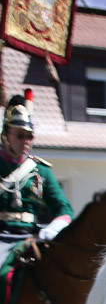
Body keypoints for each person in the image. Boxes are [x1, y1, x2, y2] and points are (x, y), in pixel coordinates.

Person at [0, 91, 73, 263]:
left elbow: (64, 209)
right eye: (20, 135)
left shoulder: (40, 170)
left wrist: (54, 228)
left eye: (29, 136)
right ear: (6, 136)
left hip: (31, 237)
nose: (25, 141)